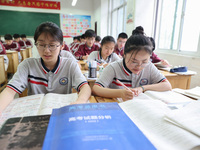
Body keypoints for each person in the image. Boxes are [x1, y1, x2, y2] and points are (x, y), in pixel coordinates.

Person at [0, 22, 91, 113]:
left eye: (52, 45)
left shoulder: (70, 64)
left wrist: (81, 101)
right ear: (36, 44)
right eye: (41, 45)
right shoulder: (27, 65)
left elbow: (85, 87)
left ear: (62, 46)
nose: (46, 51)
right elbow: (9, 91)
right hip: (34, 115)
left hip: (61, 114)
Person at [92, 34, 172, 101]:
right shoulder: (113, 67)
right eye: (134, 61)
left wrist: (142, 88)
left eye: (144, 61)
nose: (139, 66)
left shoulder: (149, 66)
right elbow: (96, 89)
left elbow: (167, 86)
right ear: (124, 54)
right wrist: (120, 93)